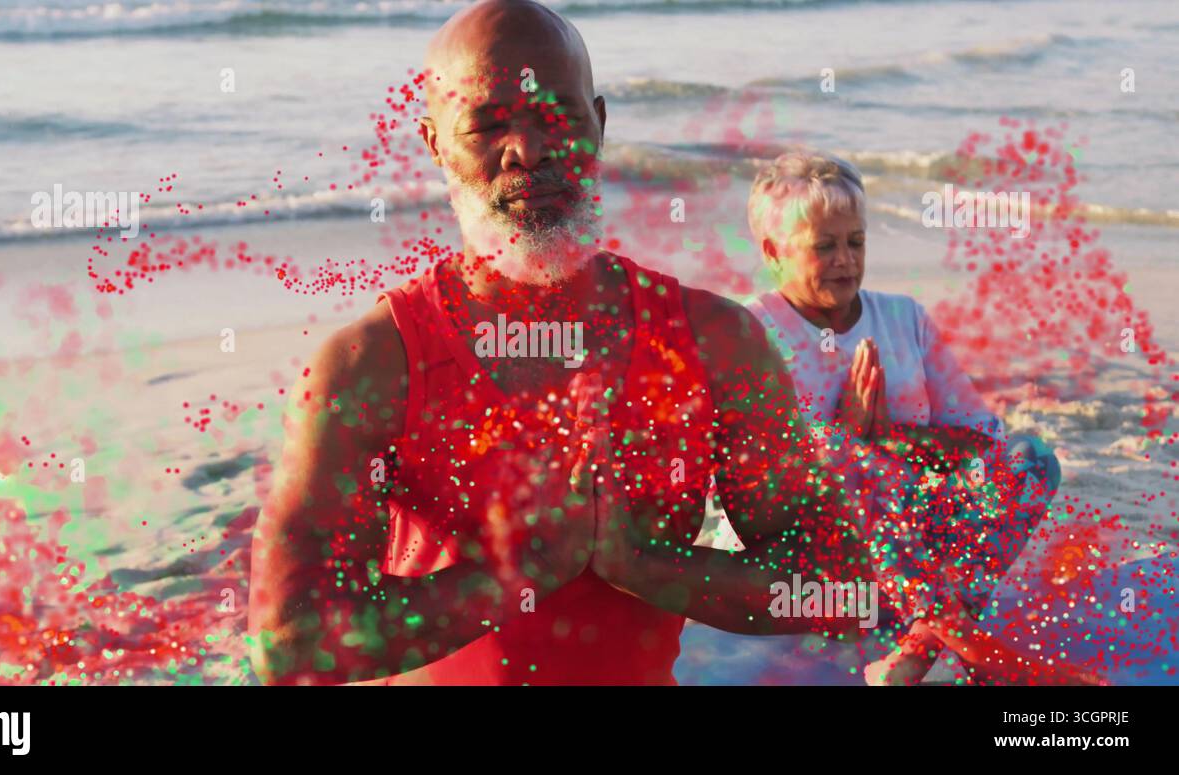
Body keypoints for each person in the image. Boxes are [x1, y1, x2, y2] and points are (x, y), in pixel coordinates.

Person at [247, 0, 872, 685]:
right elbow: (290, 644)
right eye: (488, 123)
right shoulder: (373, 364)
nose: (529, 150)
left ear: (597, 126)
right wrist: (516, 572)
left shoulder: (712, 341)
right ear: (434, 144)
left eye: (558, 117)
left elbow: (838, 586)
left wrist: (643, 565)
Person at [730, 150, 1085, 685]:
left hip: (913, 533)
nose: (846, 260)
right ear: (773, 251)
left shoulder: (903, 318)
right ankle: (960, 640)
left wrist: (892, 437)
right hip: (813, 551)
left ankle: (925, 636)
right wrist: (847, 440)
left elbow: (983, 440)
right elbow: (752, 481)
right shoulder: (751, 333)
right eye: (824, 246)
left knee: (1030, 459)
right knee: (835, 450)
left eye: (856, 242)